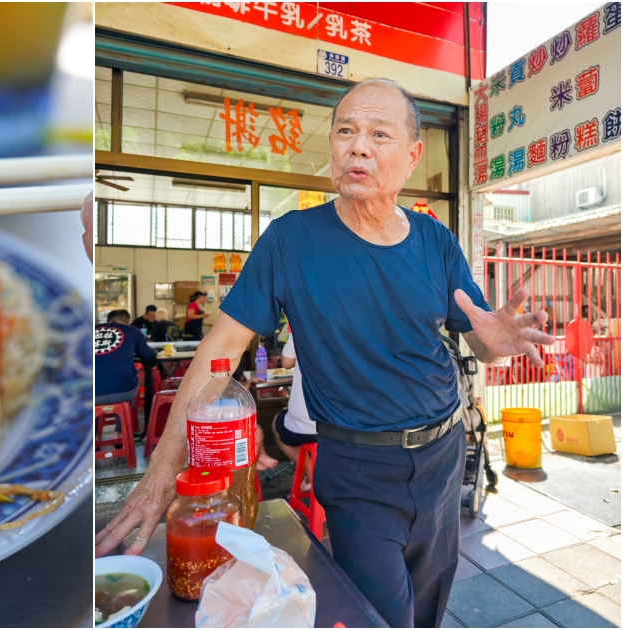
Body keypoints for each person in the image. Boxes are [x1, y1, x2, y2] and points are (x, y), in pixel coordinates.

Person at [94, 78, 554, 628]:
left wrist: (495, 345)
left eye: (378, 134)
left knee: (431, 601)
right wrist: (164, 469)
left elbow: (479, 334)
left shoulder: (436, 240)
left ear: (410, 157)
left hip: (442, 453)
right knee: (383, 615)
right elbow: (221, 348)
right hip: (357, 466)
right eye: (346, 131)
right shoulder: (290, 240)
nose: (358, 146)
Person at [272, 333, 316, 490]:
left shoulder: (303, 324)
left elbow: (286, 362)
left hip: (303, 426)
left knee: (277, 421)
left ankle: (311, 472)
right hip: (343, 426)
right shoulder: (356, 325)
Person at [95, 309, 158, 405]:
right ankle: (124, 418)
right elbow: (151, 360)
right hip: (123, 390)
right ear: (128, 322)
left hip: (87, 393)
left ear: (108, 322)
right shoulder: (132, 330)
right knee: (130, 382)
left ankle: (96, 418)